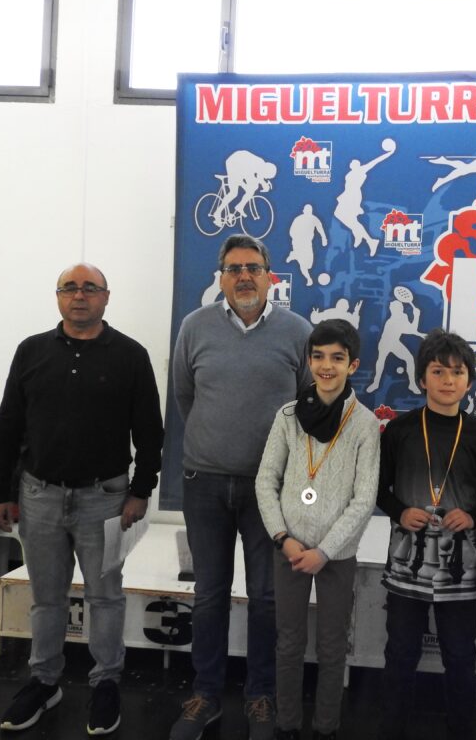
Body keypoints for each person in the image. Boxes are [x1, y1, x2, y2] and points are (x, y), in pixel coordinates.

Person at [0, 263, 164, 736]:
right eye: (70, 288)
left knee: (105, 597)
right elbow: (7, 426)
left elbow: (150, 432)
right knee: (46, 598)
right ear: (58, 297)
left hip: (104, 500)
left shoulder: (130, 355)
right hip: (38, 496)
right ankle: (45, 682)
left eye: (90, 288)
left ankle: (105, 683)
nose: (79, 295)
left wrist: (140, 490)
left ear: (107, 298)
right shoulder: (31, 351)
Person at [170, 235, 313, 740]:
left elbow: (308, 407)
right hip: (203, 483)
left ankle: (260, 697)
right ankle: (205, 694)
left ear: (271, 275)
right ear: (221, 277)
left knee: (267, 598)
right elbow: (185, 395)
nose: (244, 276)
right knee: (208, 595)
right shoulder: (195, 327)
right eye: (234, 269)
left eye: (253, 267)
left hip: (268, 492)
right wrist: (217, 445)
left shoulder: (298, 332)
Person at [376, 329, 476, 740]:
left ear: (469, 381)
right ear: (422, 379)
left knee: (459, 655)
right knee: (399, 653)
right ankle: (392, 730)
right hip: (406, 559)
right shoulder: (399, 431)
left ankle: (461, 731)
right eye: (438, 371)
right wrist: (401, 510)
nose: (448, 380)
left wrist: (472, 517)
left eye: (457, 372)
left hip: (459, 564)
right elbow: (378, 490)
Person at [255, 320, 380, 740]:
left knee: (331, 647)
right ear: (309, 361)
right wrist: (283, 538)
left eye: (337, 358)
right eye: (319, 356)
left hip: (335, 556)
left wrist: (324, 551)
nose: (326, 366)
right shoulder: (288, 416)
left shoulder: (364, 424)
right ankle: (287, 724)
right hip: (288, 549)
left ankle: (327, 726)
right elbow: (265, 481)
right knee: (288, 642)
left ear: (353, 365)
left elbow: (364, 499)